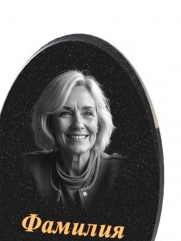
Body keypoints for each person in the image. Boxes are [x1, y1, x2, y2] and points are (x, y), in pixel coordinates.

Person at [24, 70, 121, 209]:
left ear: (99, 123)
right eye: (65, 113)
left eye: (87, 113)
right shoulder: (26, 169)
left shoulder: (119, 171)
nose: (78, 124)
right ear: (49, 122)